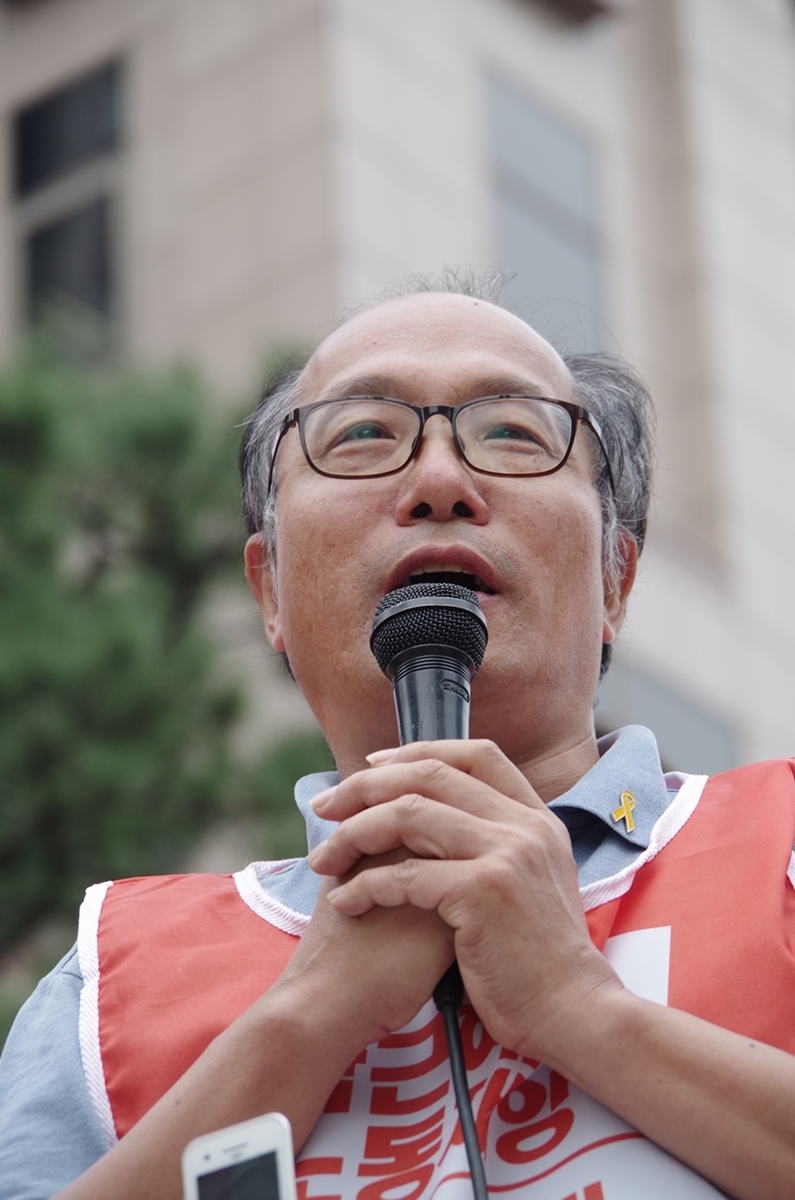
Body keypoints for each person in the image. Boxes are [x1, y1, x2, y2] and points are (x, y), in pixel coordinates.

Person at [2, 272, 795, 1200]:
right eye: (361, 436)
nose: (439, 484)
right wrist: (309, 1017)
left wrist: (573, 1004)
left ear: (615, 578)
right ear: (269, 592)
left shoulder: (776, 843)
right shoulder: (111, 975)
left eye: (512, 434)